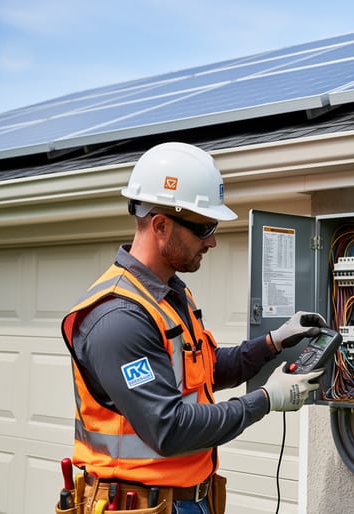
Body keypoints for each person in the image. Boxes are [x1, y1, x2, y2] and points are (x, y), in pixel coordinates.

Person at [60, 142, 326, 514]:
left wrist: (272, 342)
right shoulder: (117, 318)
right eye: (204, 227)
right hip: (137, 506)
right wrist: (265, 399)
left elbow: (204, 370)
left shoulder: (169, 295)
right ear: (161, 225)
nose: (212, 240)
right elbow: (169, 429)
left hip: (187, 501)